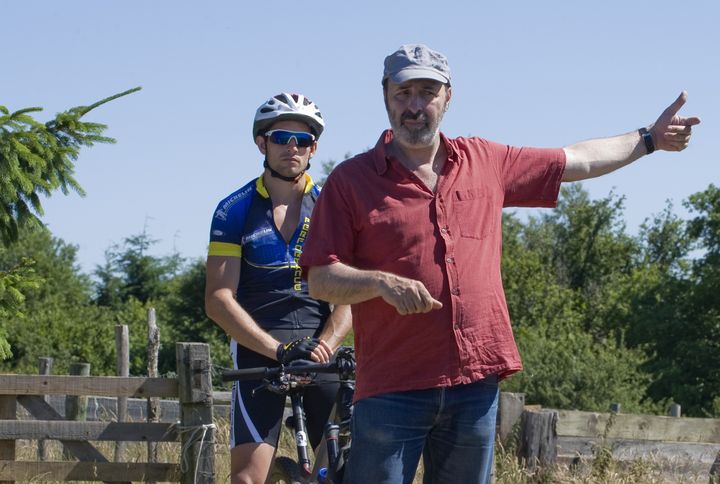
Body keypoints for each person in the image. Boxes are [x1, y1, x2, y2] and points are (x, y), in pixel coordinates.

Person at [298, 44, 700, 484]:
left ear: (448, 96)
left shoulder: (485, 161)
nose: (414, 106)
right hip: (392, 389)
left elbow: (576, 159)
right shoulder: (350, 182)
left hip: (474, 384)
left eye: (427, 92)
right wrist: (380, 283)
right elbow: (320, 278)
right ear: (385, 96)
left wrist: (649, 140)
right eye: (403, 93)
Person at [205, 92, 352, 484]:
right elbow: (219, 299)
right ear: (261, 142)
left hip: (319, 350)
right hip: (259, 348)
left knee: (342, 472)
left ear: (314, 148)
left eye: (302, 140)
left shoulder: (331, 207)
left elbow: (348, 298)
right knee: (247, 479)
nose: (293, 147)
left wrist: (325, 346)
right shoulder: (234, 209)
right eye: (282, 136)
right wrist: (279, 351)